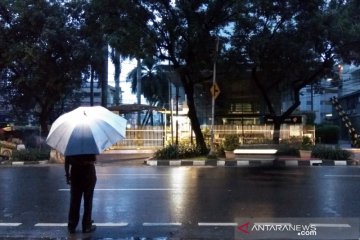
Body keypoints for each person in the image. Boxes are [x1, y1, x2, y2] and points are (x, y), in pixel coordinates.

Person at [65, 154, 97, 234]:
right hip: (88, 173)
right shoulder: (89, 144)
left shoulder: (72, 144)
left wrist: (67, 175)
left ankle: (72, 226)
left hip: (75, 173)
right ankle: (86, 226)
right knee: (88, 201)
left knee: (74, 201)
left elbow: (67, 161)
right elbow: (94, 159)